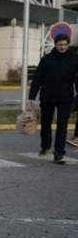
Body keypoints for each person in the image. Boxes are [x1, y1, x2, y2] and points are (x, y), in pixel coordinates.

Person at [28, 33, 78, 164]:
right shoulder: (47, 59)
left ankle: (59, 154)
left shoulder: (74, 58)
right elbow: (38, 78)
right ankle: (45, 146)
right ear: (55, 45)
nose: (63, 47)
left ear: (68, 45)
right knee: (46, 123)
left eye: (65, 45)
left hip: (65, 97)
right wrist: (32, 96)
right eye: (60, 44)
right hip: (47, 96)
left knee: (62, 124)